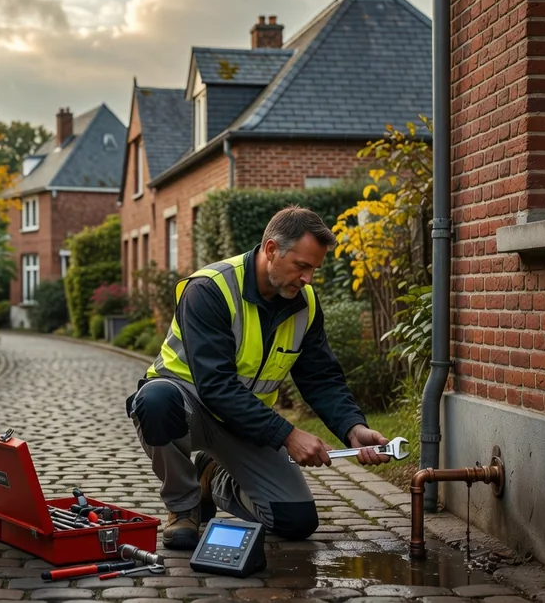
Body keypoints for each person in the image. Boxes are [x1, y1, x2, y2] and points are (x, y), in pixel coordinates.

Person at [125, 205, 390, 550]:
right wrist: (288, 435)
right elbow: (216, 386)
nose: (308, 278)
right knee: (154, 401)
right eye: (302, 266)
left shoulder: (304, 304)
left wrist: (352, 428)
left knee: (296, 522)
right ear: (270, 250)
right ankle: (183, 506)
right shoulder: (210, 289)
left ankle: (212, 476)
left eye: (314, 269)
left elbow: (320, 377)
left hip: (245, 424)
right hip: (187, 409)